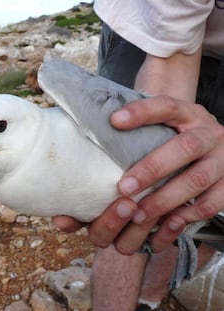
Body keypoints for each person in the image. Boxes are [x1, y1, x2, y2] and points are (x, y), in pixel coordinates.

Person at [53, 1, 224, 310]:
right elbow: (171, 57)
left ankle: (149, 300)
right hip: (152, 26)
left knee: (201, 196)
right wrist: (150, 166)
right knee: (133, 192)